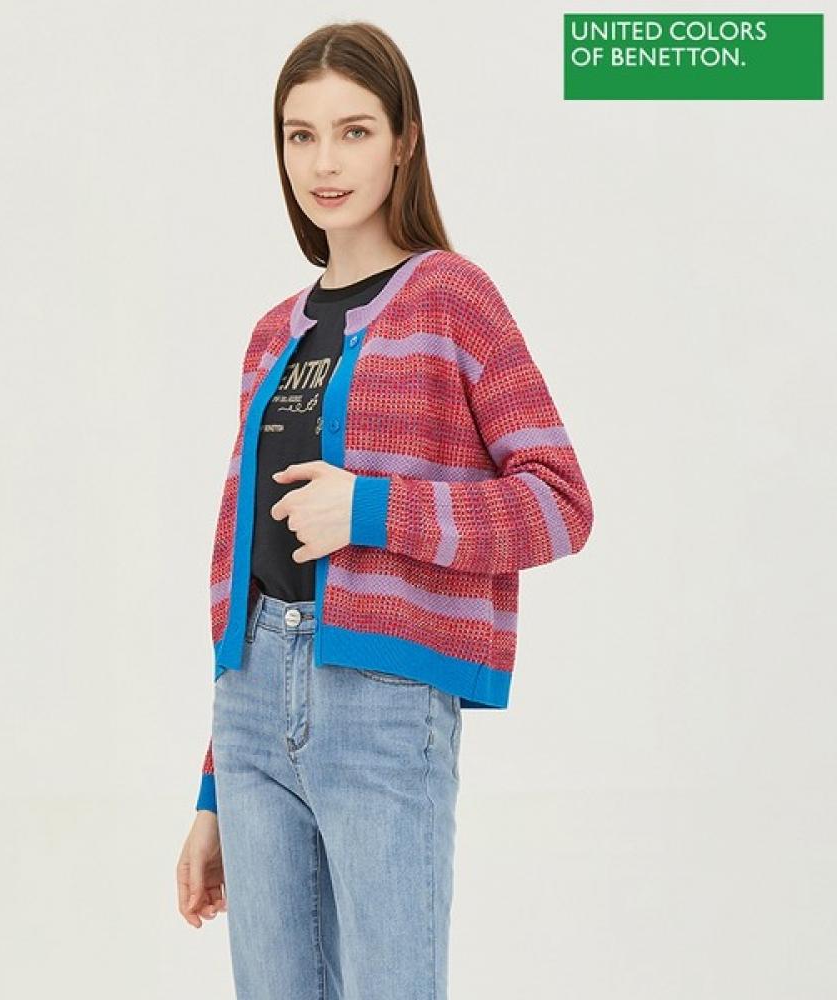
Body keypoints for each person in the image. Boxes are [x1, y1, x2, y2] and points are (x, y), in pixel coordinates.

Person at [176, 20, 593, 999]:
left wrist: (370, 511)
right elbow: (250, 563)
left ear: (404, 140)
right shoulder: (271, 334)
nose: (324, 163)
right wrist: (210, 791)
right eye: (301, 135)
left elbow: (559, 502)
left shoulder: (452, 298)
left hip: (381, 701)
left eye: (353, 131)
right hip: (250, 709)